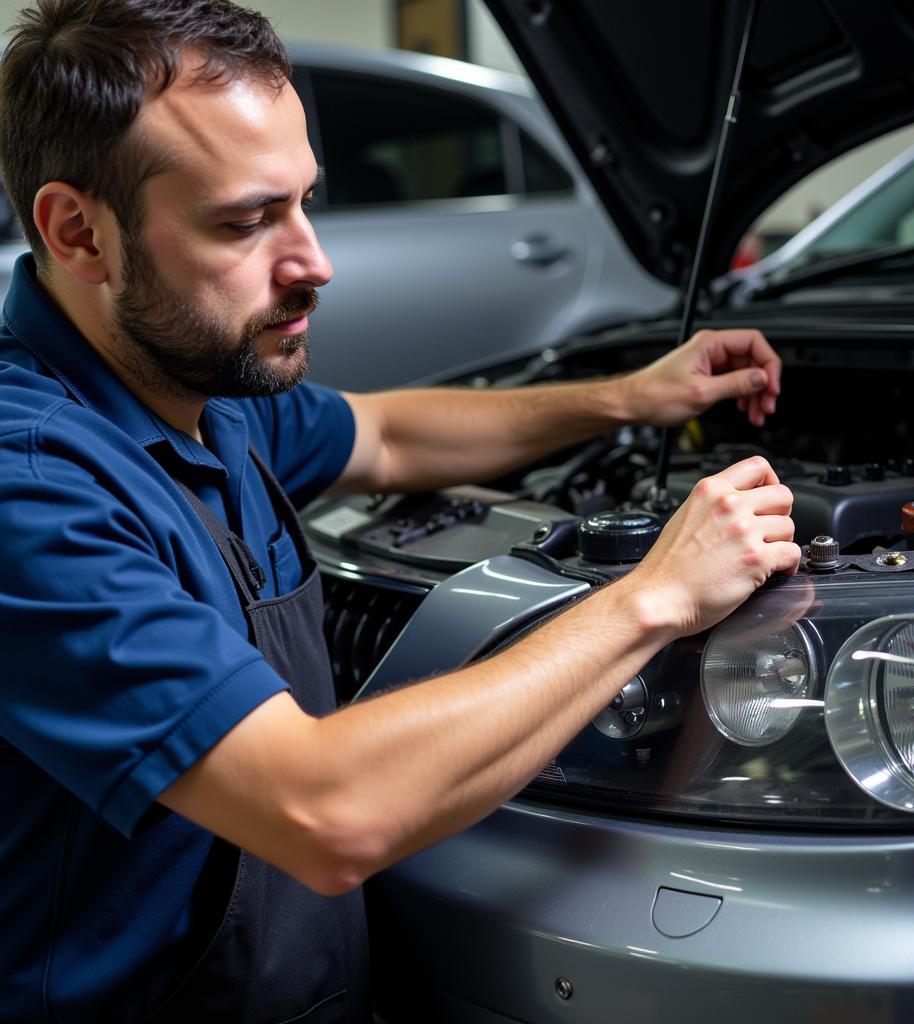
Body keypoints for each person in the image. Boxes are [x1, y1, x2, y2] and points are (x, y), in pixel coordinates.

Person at [0, 1, 800, 1021]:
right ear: (80, 232)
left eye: (305, 203)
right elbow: (324, 809)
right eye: (245, 221)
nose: (311, 261)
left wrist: (632, 395)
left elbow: (389, 436)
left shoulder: (199, 390)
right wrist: (655, 597)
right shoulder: (31, 487)